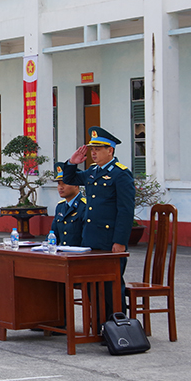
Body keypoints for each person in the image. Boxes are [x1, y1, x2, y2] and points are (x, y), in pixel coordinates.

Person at [60, 126, 135, 318]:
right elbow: (70, 178)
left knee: (111, 286)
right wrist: (72, 162)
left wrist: (120, 241)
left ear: (110, 150)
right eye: (92, 149)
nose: (93, 153)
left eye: (98, 149)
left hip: (109, 239)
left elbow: (126, 211)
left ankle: (117, 327)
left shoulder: (121, 174)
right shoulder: (93, 171)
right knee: (92, 285)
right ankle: (99, 326)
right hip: (91, 238)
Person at [50, 163, 85, 247]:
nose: (60, 187)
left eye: (64, 183)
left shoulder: (85, 206)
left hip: (79, 255)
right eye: (59, 183)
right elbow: (53, 235)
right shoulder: (60, 207)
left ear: (76, 185)